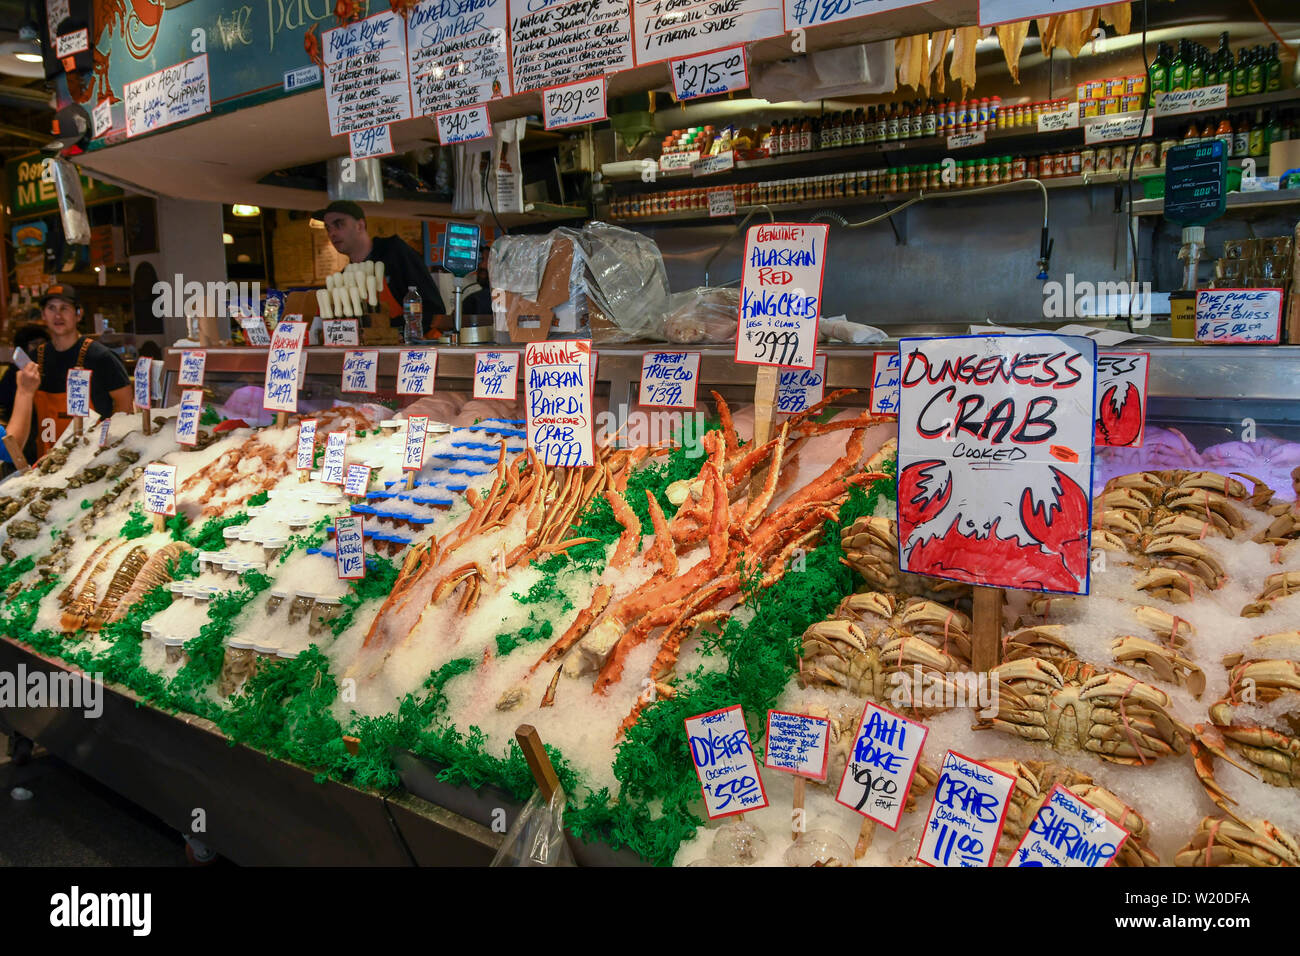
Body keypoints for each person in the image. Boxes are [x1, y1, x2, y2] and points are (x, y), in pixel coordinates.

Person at [0, 286, 131, 463]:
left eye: (64, 308)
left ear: (78, 314)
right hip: (45, 462)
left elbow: (126, 409)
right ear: (44, 315)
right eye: (51, 308)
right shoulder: (33, 361)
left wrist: (112, 447)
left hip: (93, 461)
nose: (58, 315)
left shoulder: (102, 357)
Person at [314, 200, 447, 330]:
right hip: (370, 349)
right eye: (328, 228)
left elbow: (433, 309)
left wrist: (390, 328)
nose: (332, 233)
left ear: (360, 225)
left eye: (339, 224)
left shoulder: (394, 252)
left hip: (418, 346)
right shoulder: (344, 277)